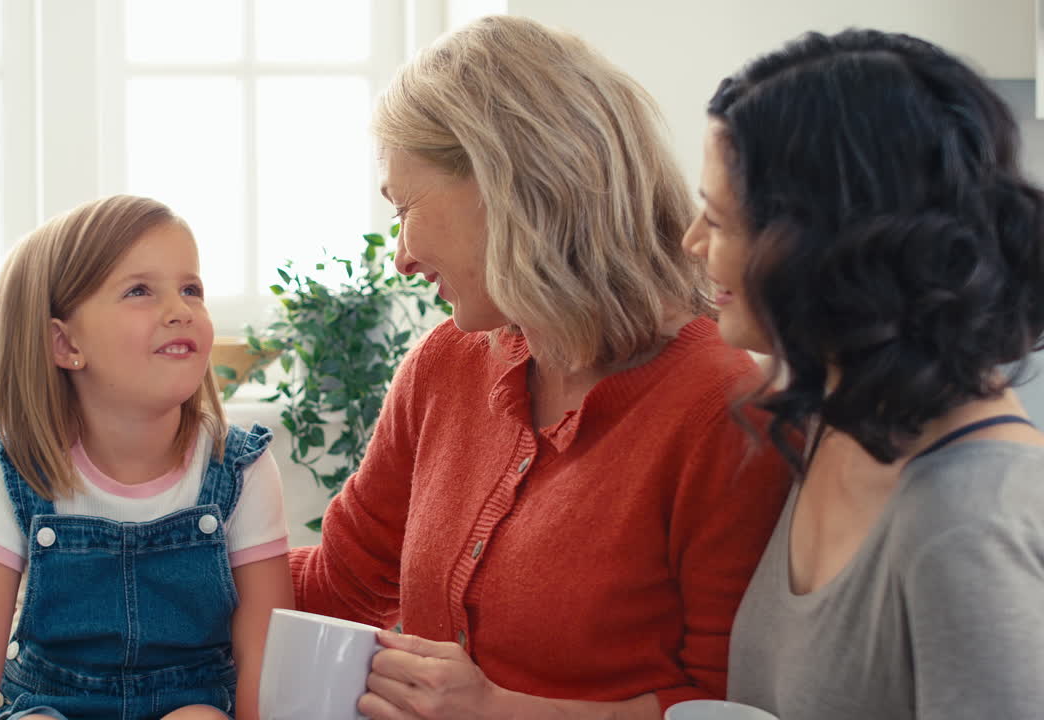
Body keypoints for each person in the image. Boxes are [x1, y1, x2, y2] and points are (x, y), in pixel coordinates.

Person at [290, 15, 791, 720]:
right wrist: (135, 556)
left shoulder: (725, 412)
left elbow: (726, 703)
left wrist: (498, 709)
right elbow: (335, 582)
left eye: (405, 208)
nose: (400, 255)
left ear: (509, 187)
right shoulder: (445, 365)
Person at [682, 28, 1044, 720]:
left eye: (717, 221)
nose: (690, 243)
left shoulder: (969, 530)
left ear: (823, 249)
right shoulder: (837, 424)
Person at [0, 195, 294, 720]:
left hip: (189, 705)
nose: (180, 309)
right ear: (64, 344)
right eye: (139, 291)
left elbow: (264, 661)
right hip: (52, 704)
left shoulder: (240, 471)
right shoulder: (17, 475)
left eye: (191, 289)